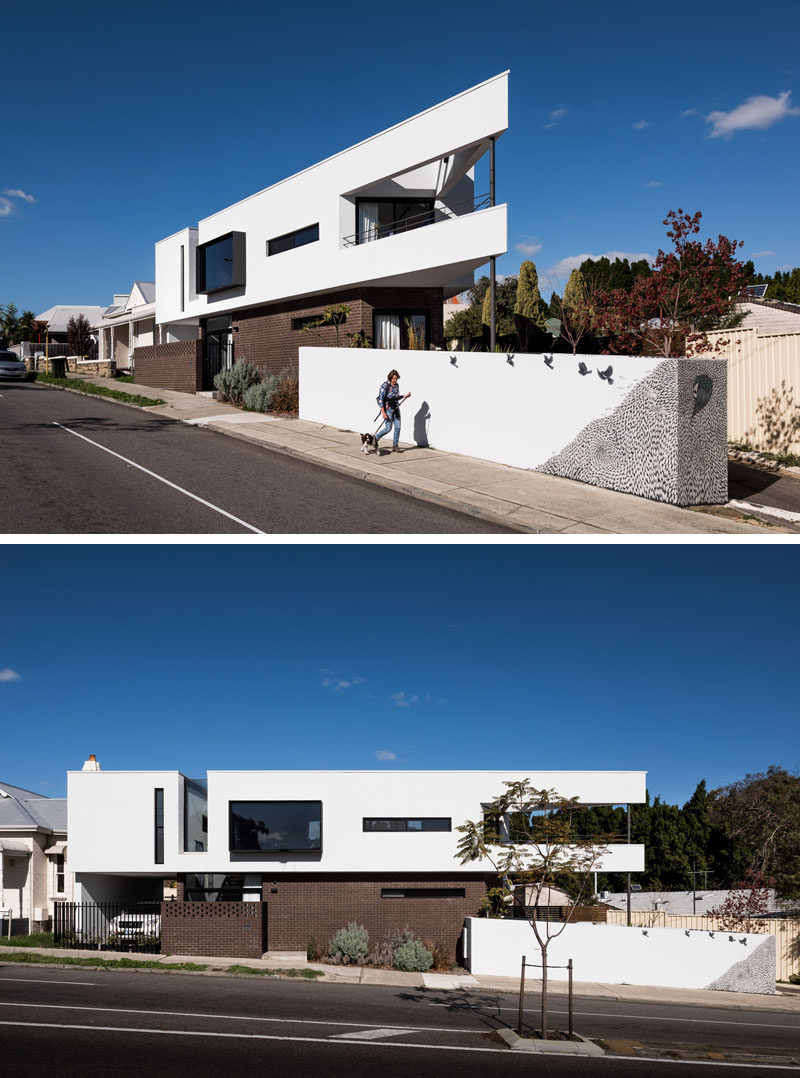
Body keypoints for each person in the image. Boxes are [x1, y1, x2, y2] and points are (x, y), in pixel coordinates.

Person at [375, 369, 410, 454]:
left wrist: (404, 396)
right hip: (388, 409)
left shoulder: (396, 385)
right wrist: (383, 412)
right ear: (390, 377)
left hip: (396, 408)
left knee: (398, 427)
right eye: (394, 378)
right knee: (388, 428)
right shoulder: (384, 386)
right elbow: (380, 399)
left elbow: (396, 397)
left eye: (396, 379)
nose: (395, 380)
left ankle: (395, 446)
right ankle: (375, 438)